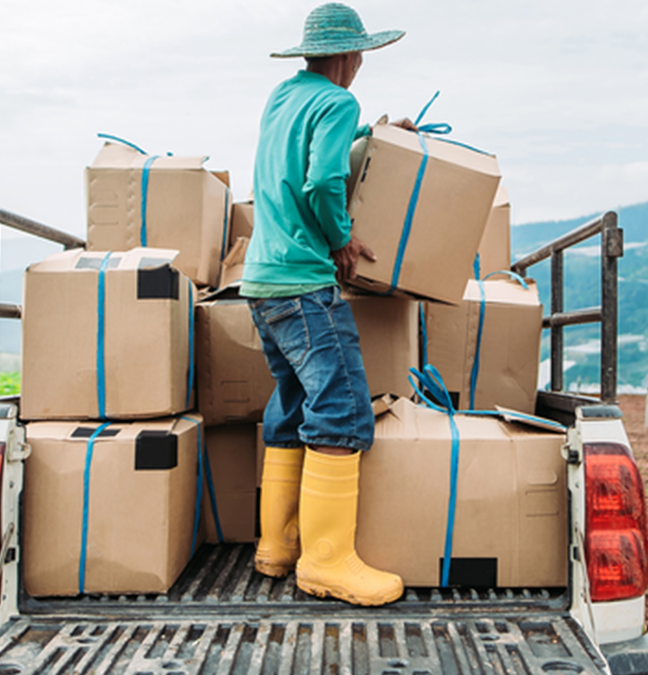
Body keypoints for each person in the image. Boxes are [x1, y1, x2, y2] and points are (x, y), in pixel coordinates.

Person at [240, 2, 414, 607]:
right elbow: (319, 181)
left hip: (261, 283)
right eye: (363, 54)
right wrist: (340, 239)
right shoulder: (340, 103)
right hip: (304, 282)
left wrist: (369, 138)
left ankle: (277, 546)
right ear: (350, 56)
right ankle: (327, 562)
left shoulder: (284, 97)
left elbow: (292, 159)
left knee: (292, 407)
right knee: (340, 411)